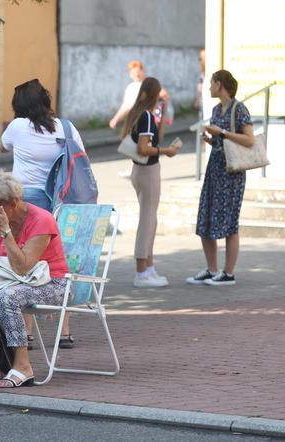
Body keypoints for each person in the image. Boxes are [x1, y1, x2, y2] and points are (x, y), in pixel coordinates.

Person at [0, 171, 69, 388]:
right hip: (11, 283)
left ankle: (23, 367)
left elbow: (22, 267)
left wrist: (5, 231)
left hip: (53, 284)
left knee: (6, 298)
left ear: (13, 203)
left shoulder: (41, 220)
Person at [1, 78, 84, 348]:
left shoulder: (17, 126)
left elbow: (4, 145)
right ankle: (65, 331)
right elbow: (79, 155)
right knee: (59, 261)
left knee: (24, 263)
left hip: (25, 202)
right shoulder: (65, 127)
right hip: (59, 202)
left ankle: (26, 332)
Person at [186, 70, 254, 286]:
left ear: (220, 84)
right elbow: (222, 141)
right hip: (215, 170)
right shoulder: (216, 109)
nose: (209, 88)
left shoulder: (239, 108)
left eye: (212, 83)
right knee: (205, 218)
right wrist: (211, 139)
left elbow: (249, 140)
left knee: (229, 222)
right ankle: (212, 269)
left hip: (232, 174)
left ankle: (228, 273)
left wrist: (221, 133)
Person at [119, 77, 180, 288]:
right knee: (147, 222)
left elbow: (158, 137)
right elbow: (144, 149)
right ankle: (141, 272)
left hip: (142, 171)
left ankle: (149, 268)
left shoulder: (144, 114)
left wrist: (162, 114)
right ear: (155, 93)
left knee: (151, 220)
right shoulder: (145, 115)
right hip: (147, 171)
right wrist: (167, 152)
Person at [109, 60, 170, 129]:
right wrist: (116, 119)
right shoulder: (130, 87)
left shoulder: (149, 83)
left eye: (138, 71)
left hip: (151, 122)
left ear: (142, 71)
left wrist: (158, 117)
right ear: (130, 74)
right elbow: (126, 106)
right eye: (133, 72)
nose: (136, 74)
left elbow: (164, 96)